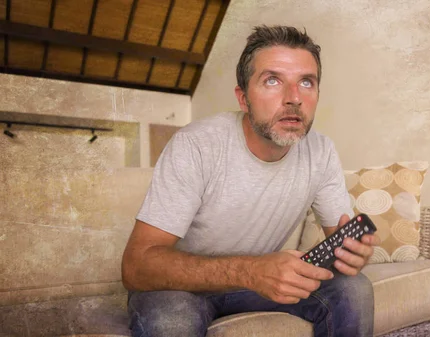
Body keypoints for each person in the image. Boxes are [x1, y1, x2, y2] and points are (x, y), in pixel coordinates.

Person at [121, 25, 381, 337]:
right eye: (272, 80)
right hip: (182, 288)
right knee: (170, 319)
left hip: (258, 285)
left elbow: (339, 242)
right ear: (243, 98)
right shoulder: (196, 145)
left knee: (353, 287)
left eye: (306, 82)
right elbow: (137, 267)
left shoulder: (321, 151)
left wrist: (353, 255)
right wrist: (251, 271)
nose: (294, 98)